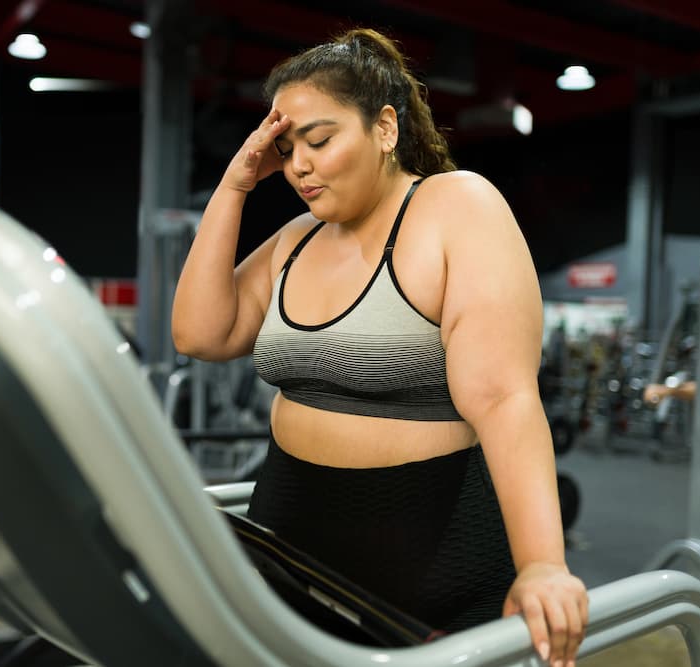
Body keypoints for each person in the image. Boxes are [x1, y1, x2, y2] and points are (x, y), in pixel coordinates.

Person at [172, 28, 587, 666]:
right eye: (285, 149)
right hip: (288, 548)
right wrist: (233, 188)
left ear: (385, 128)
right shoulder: (297, 239)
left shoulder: (456, 207)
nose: (299, 165)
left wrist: (543, 566)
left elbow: (504, 397)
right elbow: (201, 334)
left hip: (431, 561)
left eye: (318, 139)